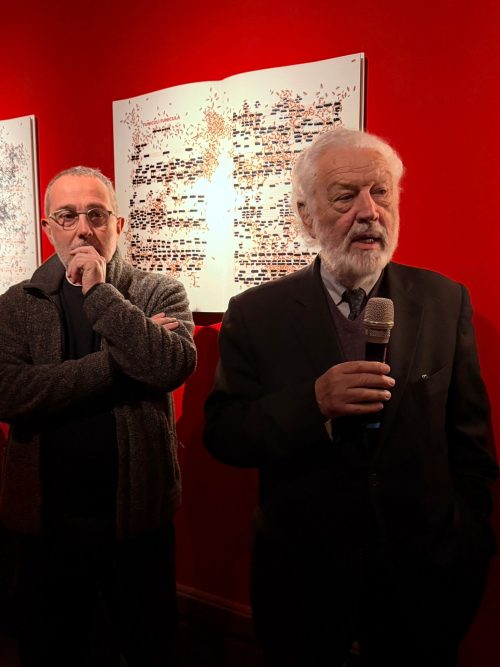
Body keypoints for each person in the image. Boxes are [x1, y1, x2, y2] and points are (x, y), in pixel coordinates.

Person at [204, 129, 498, 666]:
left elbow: (471, 444)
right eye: (345, 197)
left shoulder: (444, 300)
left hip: (422, 579)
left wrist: (468, 541)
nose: (369, 212)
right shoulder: (255, 312)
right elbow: (225, 433)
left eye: (381, 192)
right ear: (305, 216)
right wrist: (312, 403)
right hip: (304, 579)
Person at [0, 166, 197, 667]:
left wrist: (101, 295)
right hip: (47, 523)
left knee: (148, 649)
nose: (83, 229)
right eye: (67, 216)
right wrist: (117, 363)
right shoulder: (17, 303)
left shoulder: (160, 292)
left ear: (119, 224)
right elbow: (11, 393)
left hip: (136, 519)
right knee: (50, 650)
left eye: (96, 215)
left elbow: (170, 365)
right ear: (49, 227)